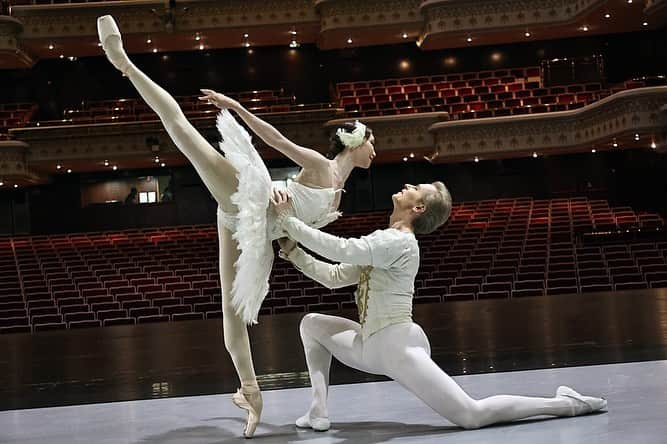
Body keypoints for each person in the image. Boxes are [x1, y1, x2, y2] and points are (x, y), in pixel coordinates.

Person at [96, 15, 376, 438]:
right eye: (372, 141)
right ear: (356, 142)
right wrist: (238, 110)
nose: (375, 148)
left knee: (234, 312)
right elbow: (279, 143)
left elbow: (294, 224)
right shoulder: (322, 167)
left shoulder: (339, 196)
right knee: (183, 132)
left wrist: (287, 236)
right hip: (249, 198)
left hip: (253, 229)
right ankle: (123, 63)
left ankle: (251, 392)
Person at [273, 182, 607, 431]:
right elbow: (334, 276)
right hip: (370, 345)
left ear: (418, 209)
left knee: (470, 415)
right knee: (311, 324)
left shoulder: (398, 241)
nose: (407, 186)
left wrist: (289, 221)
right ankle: (318, 411)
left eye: (415, 188)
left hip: (397, 345)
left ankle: (565, 404)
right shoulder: (383, 241)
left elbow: (342, 249)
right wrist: (295, 252)